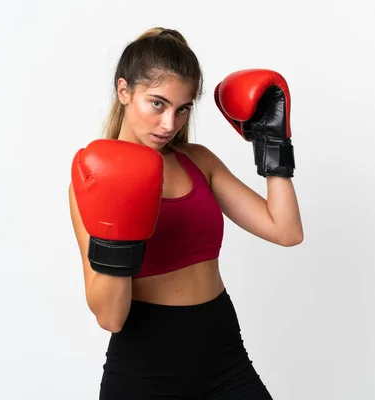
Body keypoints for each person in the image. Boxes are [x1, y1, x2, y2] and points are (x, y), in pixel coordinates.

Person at [68, 26, 303, 400]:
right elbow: (110, 317)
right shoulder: (96, 175)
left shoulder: (198, 161)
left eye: (182, 109)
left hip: (224, 357)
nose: (169, 124)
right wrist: (120, 222)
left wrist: (273, 145)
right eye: (157, 103)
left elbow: (285, 230)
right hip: (145, 371)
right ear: (124, 90)